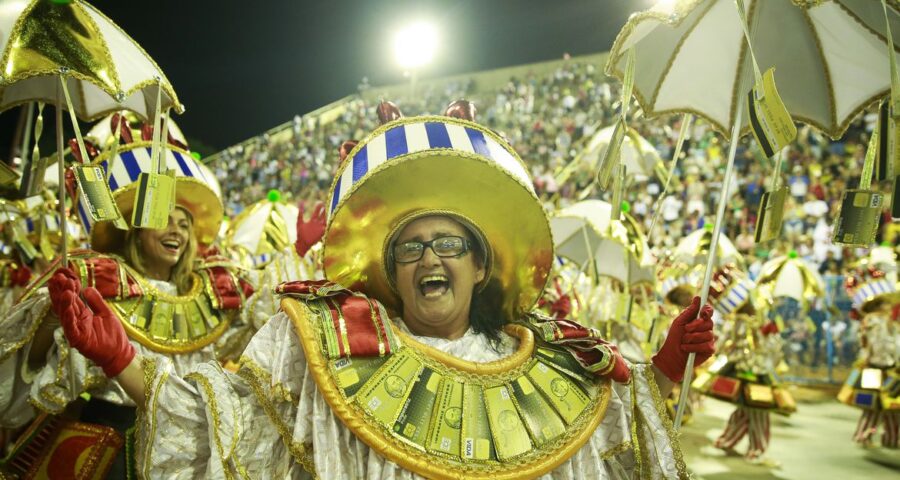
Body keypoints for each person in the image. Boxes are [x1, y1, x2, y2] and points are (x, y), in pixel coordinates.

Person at [46, 102, 714, 478]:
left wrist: (662, 370)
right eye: (410, 248)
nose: (429, 257)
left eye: (449, 243)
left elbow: (621, 448)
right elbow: (223, 423)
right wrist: (122, 360)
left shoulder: (558, 361)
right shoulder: (318, 344)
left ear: (481, 266)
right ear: (388, 273)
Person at [0, 114, 324, 478]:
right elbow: (30, 374)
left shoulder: (212, 291)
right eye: (165, 219)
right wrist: (51, 319)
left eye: (185, 224)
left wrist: (299, 250)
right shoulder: (100, 282)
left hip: (188, 451)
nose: (177, 231)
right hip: (106, 449)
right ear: (137, 230)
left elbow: (270, 313)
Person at [692, 265, 795, 464]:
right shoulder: (753, 323)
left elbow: (724, 345)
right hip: (756, 371)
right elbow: (765, 349)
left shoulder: (739, 321)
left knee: (745, 408)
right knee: (758, 411)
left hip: (742, 370)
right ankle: (757, 450)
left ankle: (727, 440)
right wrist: (771, 335)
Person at [838, 249, 900, 449]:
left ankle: (890, 438)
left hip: (885, 365)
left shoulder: (883, 321)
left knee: (890, 405)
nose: (890, 307)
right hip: (877, 365)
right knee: (874, 404)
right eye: (886, 304)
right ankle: (865, 435)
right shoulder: (875, 321)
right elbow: (880, 345)